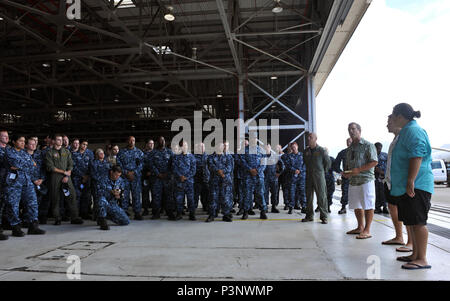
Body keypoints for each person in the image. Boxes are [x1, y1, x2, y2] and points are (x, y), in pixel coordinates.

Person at [390, 103, 433, 270]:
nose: (392, 119)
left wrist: (411, 180)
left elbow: (418, 154)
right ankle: (415, 254)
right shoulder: (407, 131)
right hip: (410, 184)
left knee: (419, 222)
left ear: (400, 116)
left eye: (393, 116)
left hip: (418, 184)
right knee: (412, 221)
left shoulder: (413, 131)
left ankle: (422, 258)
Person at [381, 115, 413, 252]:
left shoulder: (403, 137)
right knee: (392, 207)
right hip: (390, 180)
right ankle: (399, 236)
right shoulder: (395, 139)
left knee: (406, 210)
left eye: (389, 122)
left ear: (397, 121)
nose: (387, 125)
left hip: (400, 181)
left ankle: (411, 242)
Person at [4, 135, 46, 236]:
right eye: (20, 141)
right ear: (14, 142)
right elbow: (16, 164)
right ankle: (16, 227)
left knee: (32, 203)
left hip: (27, 181)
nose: (23, 143)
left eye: (24, 141)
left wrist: (21, 165)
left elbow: (33, 166)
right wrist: (24, 164)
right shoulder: (9, 152)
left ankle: (33, 226)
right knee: (14, 205)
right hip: (14, 183)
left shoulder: (24, 153)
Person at [343, 123, 378, 239]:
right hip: (354, 180)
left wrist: (359, 169)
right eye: (349, 129)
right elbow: (349, 165)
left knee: (368, 204)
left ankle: (367, 229)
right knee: (356, 204)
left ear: (359, 130)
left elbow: (374, 162)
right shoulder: (349, 149)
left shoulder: (368, 145)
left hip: (366, 179)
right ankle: (360, 227)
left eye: (353, 129)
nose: (351, 131)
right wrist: (347, 173)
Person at [45, 134, 83, 225]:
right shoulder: (49, 152)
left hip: (67, 177)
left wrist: (67, 174)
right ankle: (57, 218)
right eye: (58, 139)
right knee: (55, 198)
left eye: (61, 140)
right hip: (55, 177)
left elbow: (70, 164)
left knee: (72, 196)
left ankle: (74, 217)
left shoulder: (66, 151)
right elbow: (50, 167)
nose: (61, 141)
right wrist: (63, 172)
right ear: (54, 141)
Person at [302, 133, 331, 224]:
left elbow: (328, 163)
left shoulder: (321, 150)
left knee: (321, 196)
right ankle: (309, 215)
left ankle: (324, 217)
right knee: (309, 196)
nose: (309, 138)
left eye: (311, 137)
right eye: (308, 137)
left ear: (316, 139)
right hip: (309, 176)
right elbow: (305, 162)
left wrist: (321, 172)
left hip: (319, 176)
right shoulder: (306, 151)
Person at [240, 133, 268, 220]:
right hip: (248, 176)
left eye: (255, 138)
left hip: (259, 176)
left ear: (257, 139)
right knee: (247, 194)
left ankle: (263, 211)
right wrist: (250, 169)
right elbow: (242, 161)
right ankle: (245, 212)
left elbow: (264, 162)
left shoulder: (261, 150)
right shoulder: (244, 150)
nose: (253, 140)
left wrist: (257, 170)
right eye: (252, 138)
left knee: (260, 194)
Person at [205, 141, 234, 222]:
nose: (220, 147)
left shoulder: (229, 157)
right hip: (214, 181)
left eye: (221, 146)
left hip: (225, 181)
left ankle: (226, 215)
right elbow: (210, 166)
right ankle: (212, 215)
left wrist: (222, 172)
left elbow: (230, 168)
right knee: (213, 198)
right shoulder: (210, 157)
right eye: (218, 146)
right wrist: (219, 171)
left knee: (225, 198)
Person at [117, 136, 144, 220]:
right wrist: (126, 173)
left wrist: (133, 172)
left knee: (136, 195)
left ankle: (137, 213)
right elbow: (119, 163)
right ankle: (124, 212)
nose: (132, 142)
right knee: (124, 195)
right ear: (127, 141)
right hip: (125, 177)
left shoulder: (139, 152)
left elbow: (142, 164)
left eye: (133, 140)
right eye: (130, 140)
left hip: (135, 177)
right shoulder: (121, 152)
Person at [96, 165, 130, 230]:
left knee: (126, 221)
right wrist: (110, 192)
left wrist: (119, 196)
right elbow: (98, 193)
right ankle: (102, 220)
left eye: (119, 175)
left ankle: (107, 216)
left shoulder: (120, 180)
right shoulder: (102, 179)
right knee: (102, 200)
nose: (117, 177)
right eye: (116, 175)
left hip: (113, 204)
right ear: (111, 172)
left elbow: (123, 192)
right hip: (104, 202)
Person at [149, 136, 174, 219]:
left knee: (168, 196)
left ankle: (169, 213)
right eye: (160, 140)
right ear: (157, 142)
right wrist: (158, 174)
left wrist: (168, 173)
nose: (162, 142)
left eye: (163, 140)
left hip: (167, 178)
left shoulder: (170, 152)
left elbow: (173, 164)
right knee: (156, 196)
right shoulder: (153, 153)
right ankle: (156, 213)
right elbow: (151, 164)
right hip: (157, 178)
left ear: (165, 141)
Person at [25, 137, 47, 224]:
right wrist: (33, 180)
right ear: (26, 145)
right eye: (31, 144)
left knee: (38, 201)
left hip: (39, 182)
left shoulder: (39, 155)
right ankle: (27, 220)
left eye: (35, 144)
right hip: (28, 182)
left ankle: (35, 219)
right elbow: (24, 170)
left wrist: (41, 179)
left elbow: (43, 168)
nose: (33, 145)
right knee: (27, 203)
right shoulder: (23, 155)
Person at [172, 141, 196, 220]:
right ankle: (179, 214)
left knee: (190, 199)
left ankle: (192, 214)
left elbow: (193, 169)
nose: (184, 147)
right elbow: (174, 168)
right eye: (182, 146)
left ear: (187, 146)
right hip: (179, 182)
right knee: (179, 199)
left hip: (189, 182)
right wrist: (180, 176)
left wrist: (186, 177)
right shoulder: (176, 157)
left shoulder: (191, 157)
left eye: (185, 145)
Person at [71, 139, 94, 220]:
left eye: (86, 145)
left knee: (86, 197)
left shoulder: (89, 153)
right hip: (77, 178)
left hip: (87, 178)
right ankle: (76, 214)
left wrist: (87, 176)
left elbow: (92, 165)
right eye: (83, 144)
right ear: (80, 144)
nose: (85, 146)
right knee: (77, 197)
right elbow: (73, 167)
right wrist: (82, 176)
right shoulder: (73, 154)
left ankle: (85, 213)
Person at [90, 148, 111, 222]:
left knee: (105, 200)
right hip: (97, 185)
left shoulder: (107, 162)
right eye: (100, 153)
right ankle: (96, 216)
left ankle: (104, 215)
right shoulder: (94, 163)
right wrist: (102, 180)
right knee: (97, 201)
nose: (102, 154)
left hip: (106, 184)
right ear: (96, 155)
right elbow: (93, 175)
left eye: (103, 153)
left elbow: (110, 173)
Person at [332, 138, 352, 214]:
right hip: (346, 175)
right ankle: (343, 207)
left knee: (359, 192)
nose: (349, 143)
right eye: (348, 142)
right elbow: (336, 164)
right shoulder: (343, 152)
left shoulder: (358, 152)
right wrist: (341, 172)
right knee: (345, 192)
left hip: (357, 176)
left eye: (350, 142)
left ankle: (362, 209)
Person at [264, 144, 285, 213]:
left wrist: (279, 172)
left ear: (270, 148)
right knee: (265, 193)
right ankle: (265, 207)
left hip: (273, 178)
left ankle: (274, 207)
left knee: (274, 192)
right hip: (265, 178)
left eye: (268, 147)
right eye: (266, 147)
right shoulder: (261, 156)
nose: (267, 149)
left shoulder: (275, 156)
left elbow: (282, 165)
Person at [285, 142, 304, 215]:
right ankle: (291, 207)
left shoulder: (302, 155)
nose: (293, 148)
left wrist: (300, 170)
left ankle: (304, 207)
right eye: (292, 147)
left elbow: (305, 165)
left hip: (301, 177)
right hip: (292, 178)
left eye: (294, 147)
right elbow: (287, 166)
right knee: (291, 193)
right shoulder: (289, 156)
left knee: (302, 192)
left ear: (297, 146)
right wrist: (294, 170)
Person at [194, 143, 209, 212]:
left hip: (206, 179)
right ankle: (193, 210)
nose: (202, 148)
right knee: (195, 195)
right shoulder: (194, 156)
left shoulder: (208, 156)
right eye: (200, 147)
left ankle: (205, 207)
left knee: (205, 195)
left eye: (203, 147)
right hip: (197, 179)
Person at [0, 130, 10, 240]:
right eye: (3, 136)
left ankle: (5, 223)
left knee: (6, 203)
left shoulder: (9, 150)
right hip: (1, 180)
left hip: (8, 182)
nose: (6, 138)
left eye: (7, 136)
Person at [374, 142, 388, 214]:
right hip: (375, 177)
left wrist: (383, 172)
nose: (378, 150)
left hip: (384, 177)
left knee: (384, 192)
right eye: (376, 148)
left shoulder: (385, 155)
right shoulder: (372, 156)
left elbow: (389, 165)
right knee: (376, 193)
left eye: (379, 148)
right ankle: (377, 207)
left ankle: (385, 207)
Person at [142, 139, 154, 216]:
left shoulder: (156, 153)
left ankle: (155, 209)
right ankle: (145, 209)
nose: (151, 145)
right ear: (146, 144)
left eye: (152, 143)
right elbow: (140, 164)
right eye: (150, 143)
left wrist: (152, 172)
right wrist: (146, 172)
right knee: (145, 194)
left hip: (154, 176)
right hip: (145, 176)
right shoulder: (142, 153)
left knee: (155, 193)